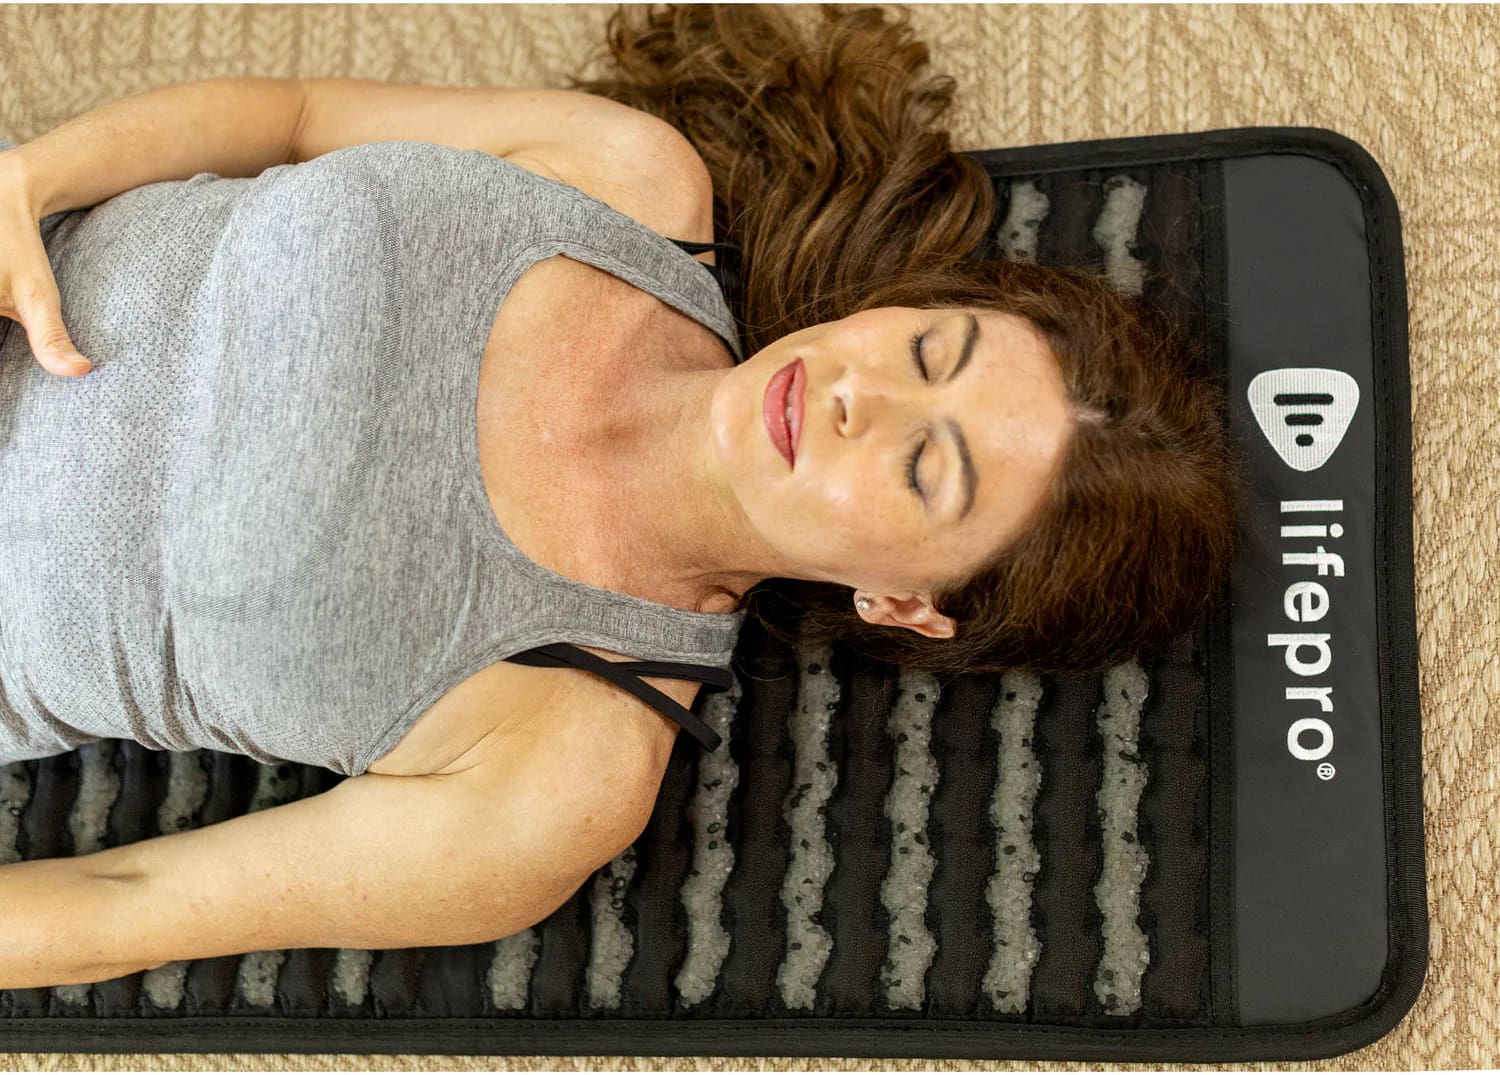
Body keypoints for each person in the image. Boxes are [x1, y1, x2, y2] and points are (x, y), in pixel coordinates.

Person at [0, 4, 1247, 988]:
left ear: (906, 601)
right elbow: (294, 113)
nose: (865, 396)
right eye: (929, 350)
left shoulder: (567, 768)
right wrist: (31, 178)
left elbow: (129, 909)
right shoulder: (626, 181)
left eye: (928, 469)